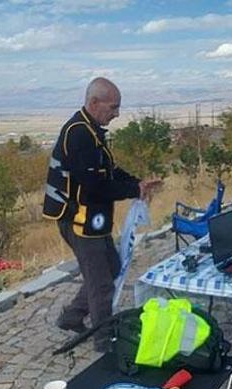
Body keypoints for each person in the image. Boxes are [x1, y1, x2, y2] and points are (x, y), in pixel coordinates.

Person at [42, 77, 162, 352]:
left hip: (93, 217)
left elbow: (109, 170)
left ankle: (72, 317)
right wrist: (132, 189)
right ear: (94, 103)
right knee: (101, 282)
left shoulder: (92, 129)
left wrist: (137, 183)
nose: (117, 114)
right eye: (113, 107)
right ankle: (105, 341)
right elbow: (94, 185)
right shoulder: (79, 133)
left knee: (111, 266)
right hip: (79, 219)